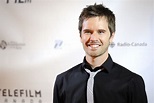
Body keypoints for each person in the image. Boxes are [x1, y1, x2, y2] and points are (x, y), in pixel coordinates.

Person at [53, 3, 148, 103]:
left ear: (111, 36)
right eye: (88, 32)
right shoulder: (62, 81)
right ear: (80, 36)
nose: (93, 38)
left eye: (101, 32)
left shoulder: (132, 82)